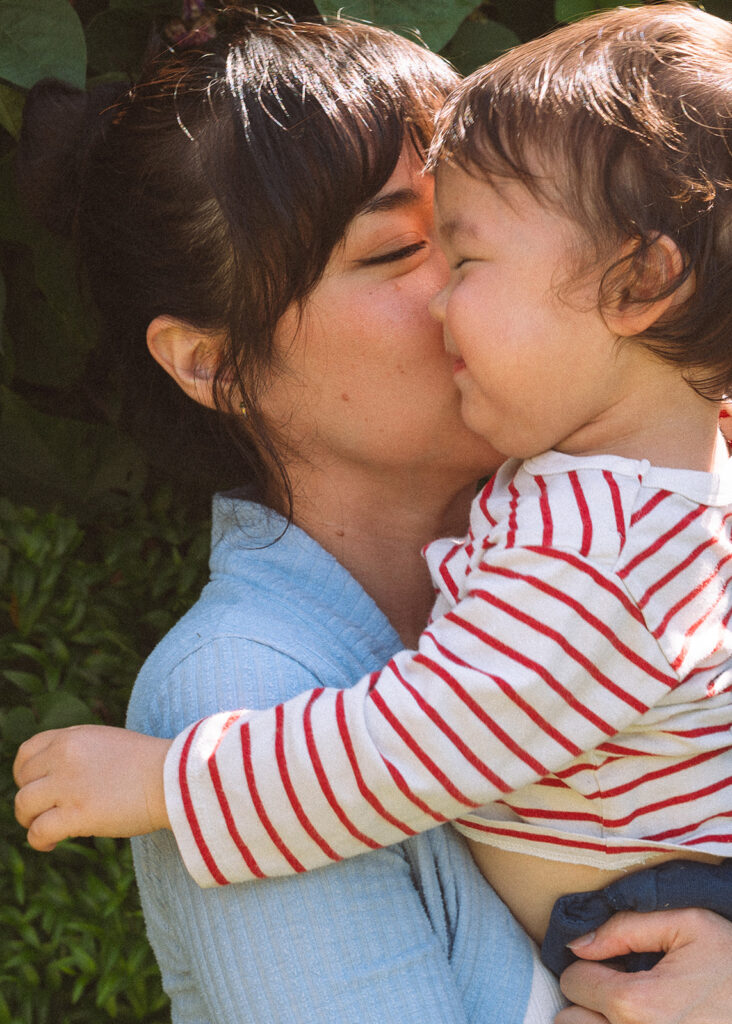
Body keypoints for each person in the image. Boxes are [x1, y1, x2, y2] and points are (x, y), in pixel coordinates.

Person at [13, 7, 732, 1023]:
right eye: (402, 249)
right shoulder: (238, 690)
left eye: (477, 235)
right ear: (212, 363)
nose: (456, 293)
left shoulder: (610, 529)